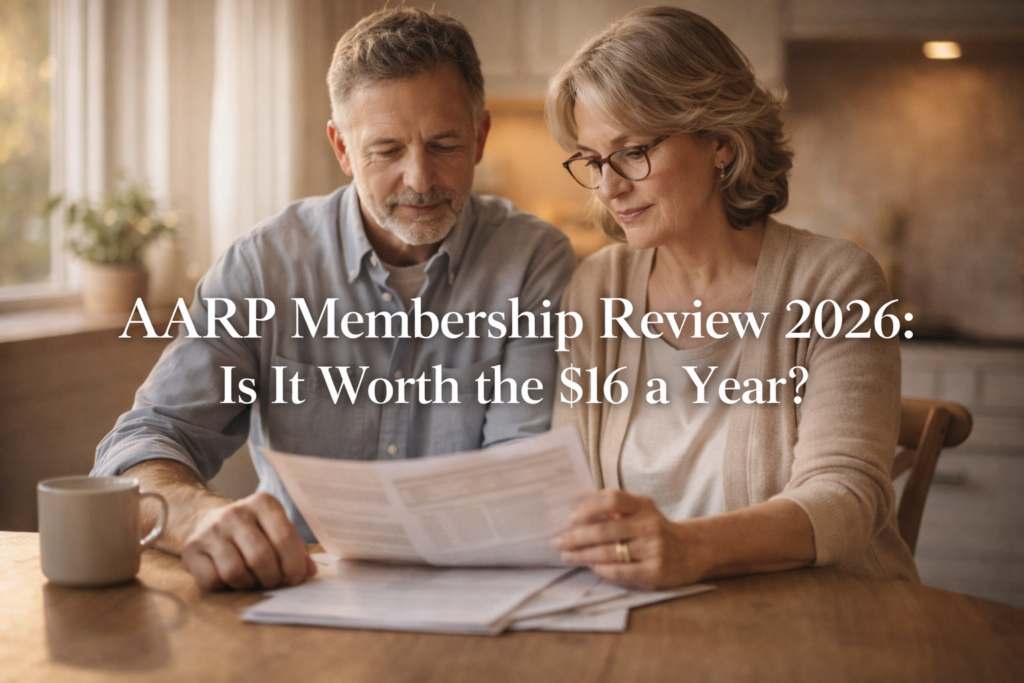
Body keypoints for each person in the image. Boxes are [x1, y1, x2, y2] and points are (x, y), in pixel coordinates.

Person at [93, 8, 576, 591]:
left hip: (471, 590)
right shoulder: (263, 267)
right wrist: (195, 514)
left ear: (479, 137)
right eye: (386, 151)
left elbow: (517, 479)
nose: (420, 179)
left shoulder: (534, 263)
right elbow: (143, 440)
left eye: (444, 143)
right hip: (297, 591)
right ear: (342, 149)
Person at [545, 6, 918, 589]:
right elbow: (568, 482)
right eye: (593, 161)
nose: (610, 186)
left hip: (828, 626)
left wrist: (689, 547)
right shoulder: (598, 288)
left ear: (720, 140)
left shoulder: (837, 282)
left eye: (633, 151)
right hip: (656, 624)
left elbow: (847, 497)